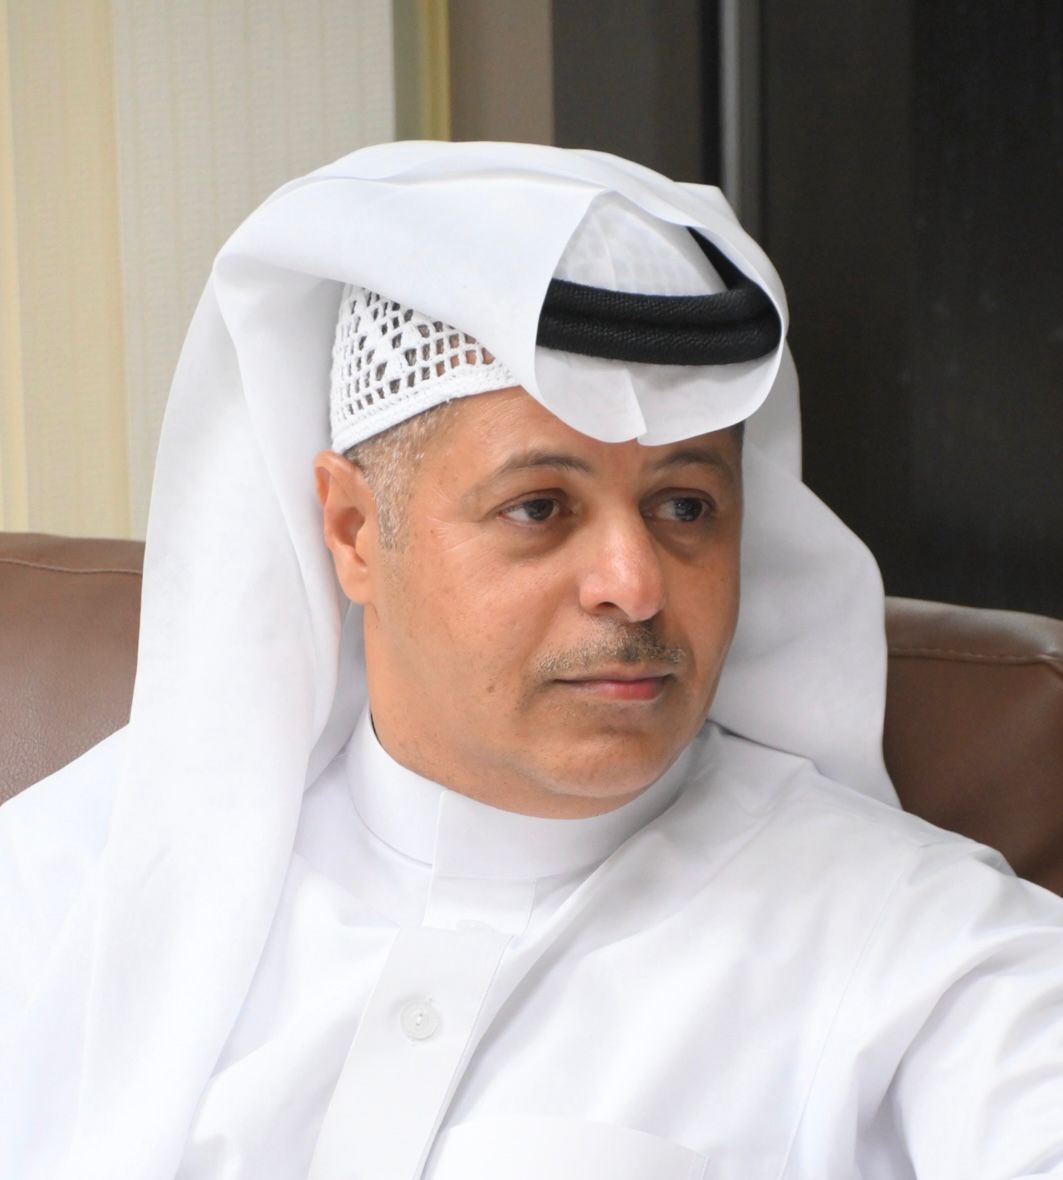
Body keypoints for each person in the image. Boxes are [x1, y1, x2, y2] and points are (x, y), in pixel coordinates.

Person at [1, 142, 1061, 1180]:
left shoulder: (923, 946)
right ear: (355, 530)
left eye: (684, 506)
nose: (634, 585)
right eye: (539, 508)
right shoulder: (64, 880)